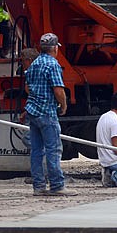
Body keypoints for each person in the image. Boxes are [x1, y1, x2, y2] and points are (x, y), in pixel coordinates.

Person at [24, 33, 78, 197]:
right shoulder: (53, 64)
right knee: (53, 149)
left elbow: (27, 87)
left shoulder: (35, 63)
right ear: (55, 48)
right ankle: (56, 185)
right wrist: (63, 104)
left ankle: (38, 186)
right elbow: (58, 89)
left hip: (33, 112)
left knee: (36, 151)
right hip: (47, 112)